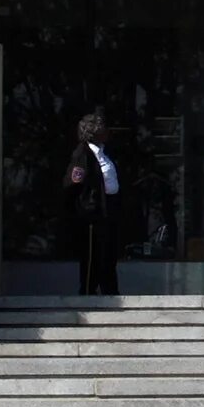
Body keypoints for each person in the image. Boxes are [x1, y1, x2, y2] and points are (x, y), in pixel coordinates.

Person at [67, 112, 122, 296]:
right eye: (103, 128)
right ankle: (88, 291)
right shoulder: (83, 153)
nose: (106, 131)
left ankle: (109, 290)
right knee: (92, 255)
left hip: (108, 210)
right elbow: (75, 182)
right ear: (94, 131)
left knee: (108, 254)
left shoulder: (104, 153)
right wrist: (86, 207)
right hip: (93, 213)